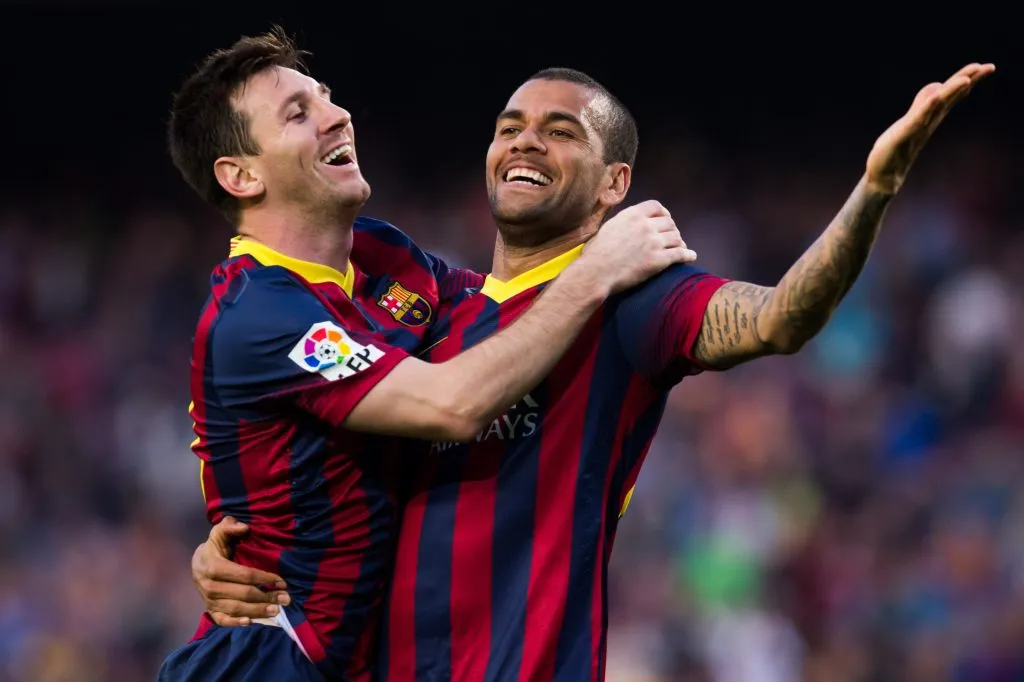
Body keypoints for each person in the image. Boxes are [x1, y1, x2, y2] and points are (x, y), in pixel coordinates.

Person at [189, 49, 995, 682]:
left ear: (615, 184)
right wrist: (240, 550)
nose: (525, 140)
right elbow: (342, 431)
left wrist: (874, 189)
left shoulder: (631, 307)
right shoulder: (429, 310)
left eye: (562, 130)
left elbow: (784, 315)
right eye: (509, 125)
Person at [157, 27, 696, 682]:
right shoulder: (256, 316)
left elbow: (507, 310)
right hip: (267, 657)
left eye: (326, 97)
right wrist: (597, 269)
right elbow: (454, 404)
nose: (338, 115)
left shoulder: (385, 259)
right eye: (300, 113)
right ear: (241, 175)